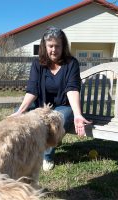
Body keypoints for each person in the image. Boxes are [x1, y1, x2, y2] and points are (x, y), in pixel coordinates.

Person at [10, 26, 91, 171]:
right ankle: (26, 152)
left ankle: (46, 156)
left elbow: (72, 89)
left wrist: (78, 115)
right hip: (40, 104)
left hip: (63, 105)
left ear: (63, 46)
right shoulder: (37, 64)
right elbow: (33, 89)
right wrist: (21, 110)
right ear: (44, 46)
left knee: (58, 118)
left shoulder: (71, 64)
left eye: (57, 46)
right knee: (19, 114)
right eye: (50, 46)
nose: (54, 50)